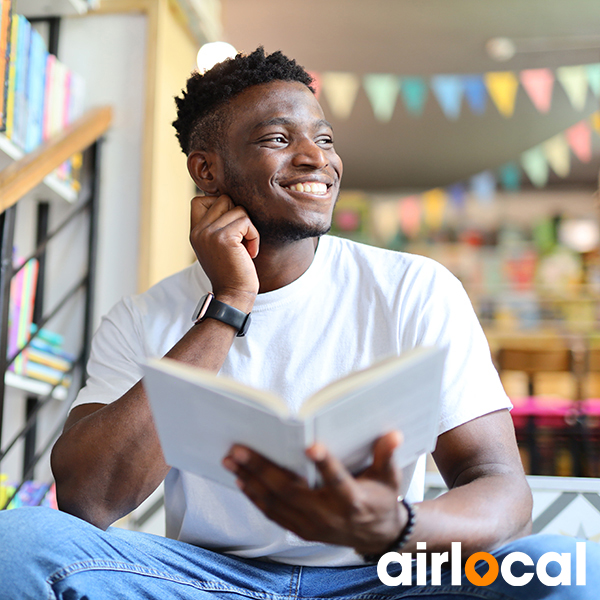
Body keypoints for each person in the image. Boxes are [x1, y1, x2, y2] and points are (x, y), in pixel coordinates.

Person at [0, 47, 597, 599]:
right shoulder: (143, 317)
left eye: (325, 138)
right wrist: (229, 303)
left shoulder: (415, 287)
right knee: (18, 543)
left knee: (575, 568)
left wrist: (398, 524)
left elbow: (501, 487)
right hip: (211, 579)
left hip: (388, 571)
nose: (317, 159)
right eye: (279, 138)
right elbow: (89, 500)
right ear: (206, 170)